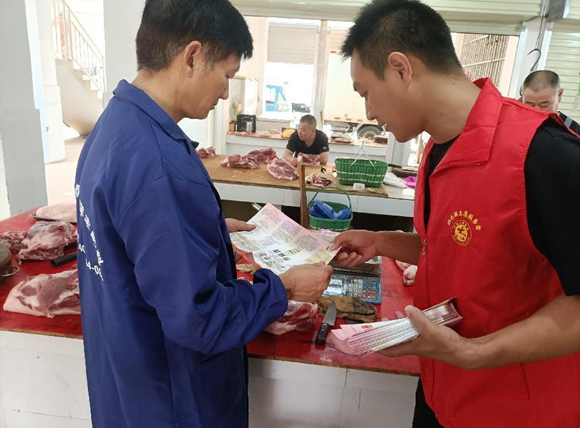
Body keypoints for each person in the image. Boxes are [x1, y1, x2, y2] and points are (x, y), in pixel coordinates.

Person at [74, 1, 333, 427]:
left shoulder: (114, 126)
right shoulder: (158, 164)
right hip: (171, 398)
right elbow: (199, 318)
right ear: (192, 56)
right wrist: (284, 287)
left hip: (126, 383)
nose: (226, 93)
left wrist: (199, 228)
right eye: (227, 75)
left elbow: (126, 238)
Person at [331, 1, 580, 427]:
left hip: (515, 411)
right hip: (441, 390)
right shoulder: (437, 148)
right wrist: (381, 241)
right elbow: (459, 249)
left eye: (365, 93)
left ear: (400, 69)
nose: (368, 112)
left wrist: (471, 352)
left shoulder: (545, 155)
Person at [521, 70, 580, 135]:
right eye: (529, 104)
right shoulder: (515, 122)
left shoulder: (573, 130)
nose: (536, 111)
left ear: (559, 95)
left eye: (544, 104)